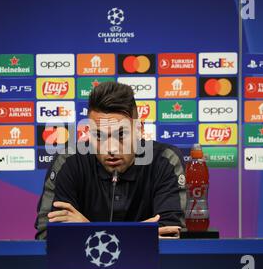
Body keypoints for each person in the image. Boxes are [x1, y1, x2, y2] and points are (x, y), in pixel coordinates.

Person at [35, 81, 186, 240]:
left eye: (121, 135)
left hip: (149, 266)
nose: (111, 149)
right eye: (99, 136)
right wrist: (140, 237)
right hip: (79, 266)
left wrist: (87, 229)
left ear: (139, 129)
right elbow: (48, 238)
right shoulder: (68, 162)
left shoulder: (165, 160)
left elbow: (171, 237)